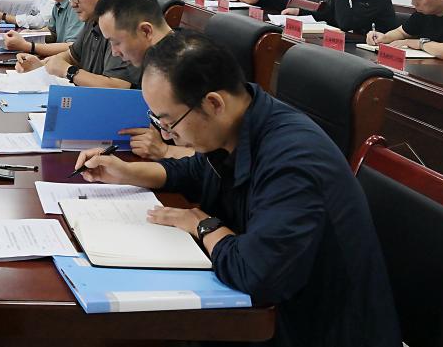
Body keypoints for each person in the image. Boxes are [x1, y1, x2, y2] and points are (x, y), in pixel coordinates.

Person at [74, 32, 401, 347]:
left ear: (213, 103)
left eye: (169, 123)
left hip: (314, 330)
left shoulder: (293, 160)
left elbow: (257, 274)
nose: (168, 135)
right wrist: (126, 172)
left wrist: (204, 226)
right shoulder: (241, 121)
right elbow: (193, 172)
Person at [92, 0, 193, 160]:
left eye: (116, 42)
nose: (114, 52)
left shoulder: (188, 66)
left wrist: (165, 150)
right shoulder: (154, 60)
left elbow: (218, 157)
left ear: (146, 31)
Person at [15, 0, 136, 89]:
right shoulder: (93, 19)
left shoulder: (123, 23)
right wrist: (42, 65)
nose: (72, 4)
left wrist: (69, 71)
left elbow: (118, 86)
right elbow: (72, 56)